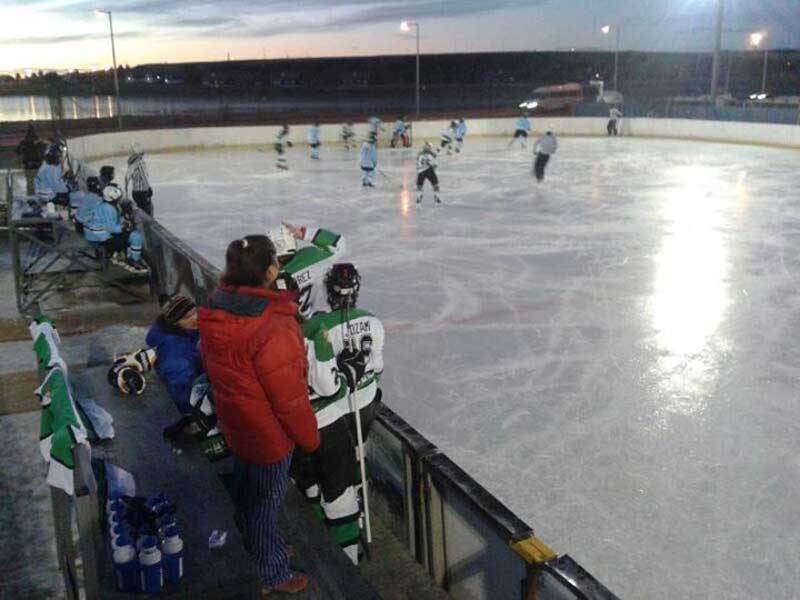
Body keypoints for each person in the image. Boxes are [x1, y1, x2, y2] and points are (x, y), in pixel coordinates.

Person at [198, 234, 320, 595]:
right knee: (265, 503)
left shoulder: (217, 309)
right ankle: (273, 572)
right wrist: (310, 438)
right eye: (276, 262)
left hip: (236, 421)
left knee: (249, 494)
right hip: (267, 435)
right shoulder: (272, 325)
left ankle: (261, 545)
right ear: (269, 271)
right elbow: (290, 398)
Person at [293, 262, 385, 565]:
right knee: (356, 455)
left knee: (332, 466)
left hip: (335, 410)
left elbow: (317, 379)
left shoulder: (314, 328)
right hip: (366, 401)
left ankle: (335, 513)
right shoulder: (372, 320)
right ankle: (353, 512)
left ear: (329, 291)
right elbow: (378, 367)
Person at [268, 222, 346, 319]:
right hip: (311, 324)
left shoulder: (273, 276)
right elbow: (339, 245)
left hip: (286, 327)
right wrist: (304, 234)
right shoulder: (311, 256)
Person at [145, 295, 202, 415]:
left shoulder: (182, 333)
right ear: (175, 323)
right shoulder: (177, 355)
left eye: (195, 312)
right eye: (187, 317)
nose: (196, 318)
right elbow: (182, 393)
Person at [83, 183, 147, 272]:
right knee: (136, 236)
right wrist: (124, 226)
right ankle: (134, 260)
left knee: (127, 235)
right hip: (101, 239)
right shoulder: (109, 208)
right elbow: (112, 228)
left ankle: (125, 257)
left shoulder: (101, 204)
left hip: (91, 235)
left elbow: (108, 222)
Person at [15, 123, 46, 196]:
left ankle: (30, 194)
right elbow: (43, 150)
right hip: (37, 163)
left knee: (29, 180)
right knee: (38, 179)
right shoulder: (38, 142)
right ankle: (40, 193)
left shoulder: (24, 142)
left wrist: (24, 151)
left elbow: (17, 151)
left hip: (27, 164)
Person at [125, 151, 154, 216]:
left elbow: (127, 177)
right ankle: (148, 223)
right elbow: (144, 176)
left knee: (140, 209)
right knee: (147, 210)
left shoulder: (131, 162)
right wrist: (148, 188)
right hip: (142, 191)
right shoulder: (140, 163)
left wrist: (126, 189)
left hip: (135, 191)